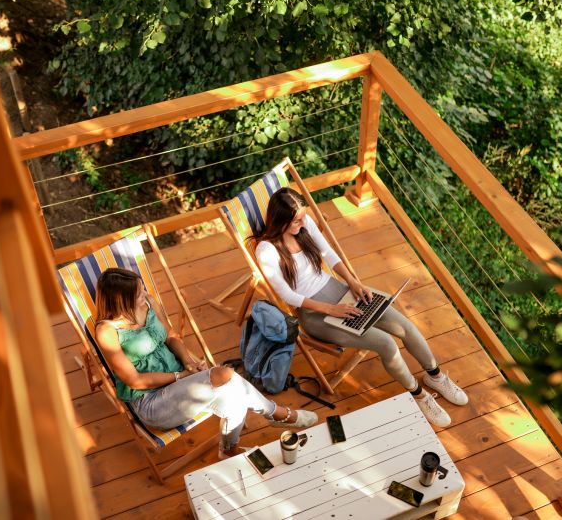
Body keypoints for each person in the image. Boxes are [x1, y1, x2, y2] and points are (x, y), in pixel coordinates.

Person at [253, 188, 468, 427]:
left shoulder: (304, 224)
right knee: (385, 343)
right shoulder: (267, 250)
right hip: (315, 314)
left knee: (404, 326)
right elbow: (287, 295)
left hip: (340, 291)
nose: (304, 223)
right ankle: (419, 394)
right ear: (281, 220)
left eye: (304, 216)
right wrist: (330, 309)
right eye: (296, 220)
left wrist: (353, 283)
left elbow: (329, 254)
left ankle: (435, 376)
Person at [94, 267, 317, 458]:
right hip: (152, 402)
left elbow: (171, 336)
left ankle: (229, 449)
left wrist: (189, 362)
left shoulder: (148, 303)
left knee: (234, 394)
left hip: (181, 381)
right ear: (120, 301)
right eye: (138, 293)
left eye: (142, 287)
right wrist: (181, 376)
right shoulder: (107, 331)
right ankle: (277, 414)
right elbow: (134, 381)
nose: (145, 292)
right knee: (226, 376)